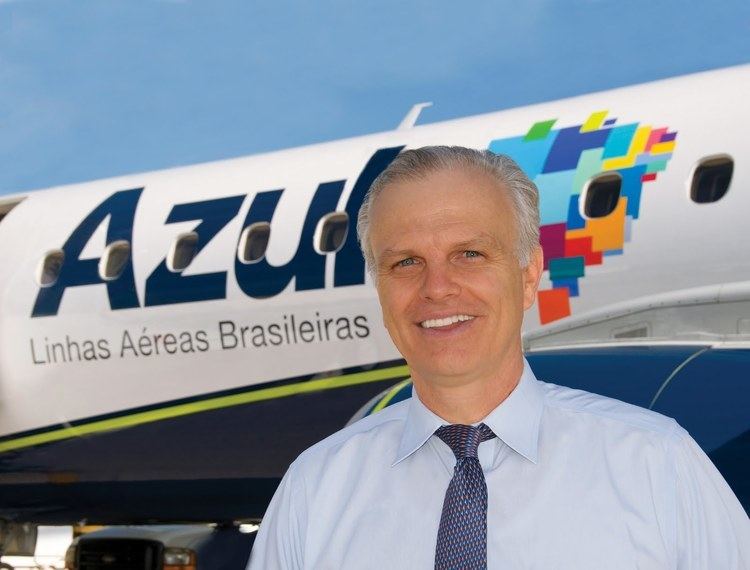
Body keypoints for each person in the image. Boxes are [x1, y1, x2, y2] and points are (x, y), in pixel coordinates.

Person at [248, 146, 750, 569]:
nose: (437, 288)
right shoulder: (314, 490)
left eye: (470, 254)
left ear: (529, 275)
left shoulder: (657, 464)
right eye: (406, 262)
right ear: (381, 290)